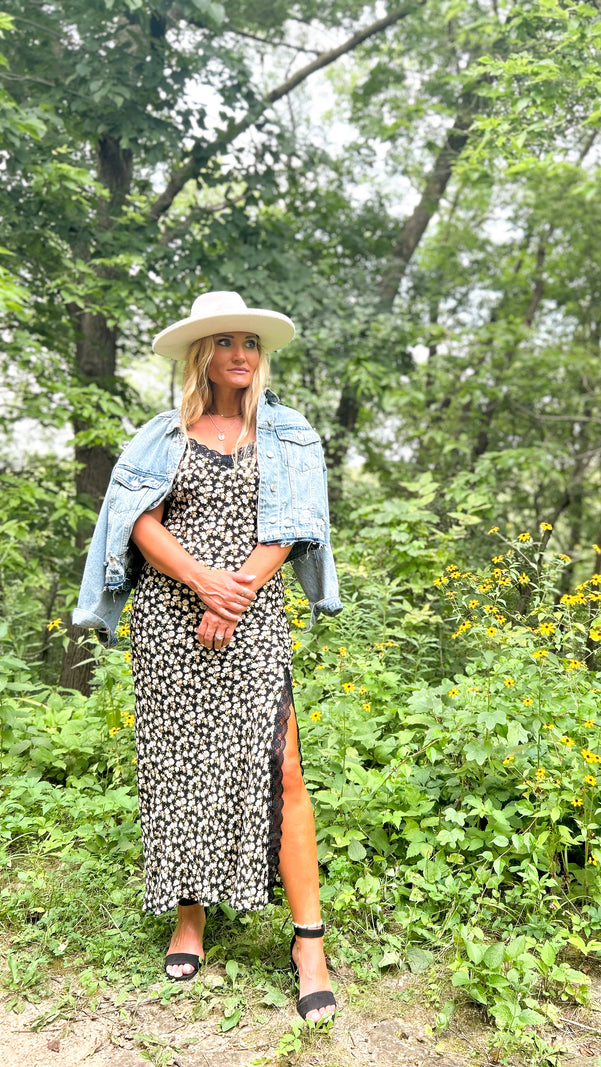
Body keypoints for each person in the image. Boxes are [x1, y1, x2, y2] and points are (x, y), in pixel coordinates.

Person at [73, 291, 342, 1024]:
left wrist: (238, 593)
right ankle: (189, 917)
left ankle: (308, 943)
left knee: (282, 770)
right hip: (168, 622)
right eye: (226, 342)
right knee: (180, 766)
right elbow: (134, 520)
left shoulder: (290, 434)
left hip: (252, 620)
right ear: (203, 355)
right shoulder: (164, 435)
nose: (242, 353)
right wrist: (199, 583)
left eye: (250, 342)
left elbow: (297, 524)